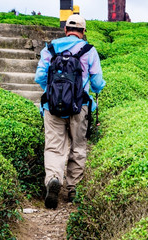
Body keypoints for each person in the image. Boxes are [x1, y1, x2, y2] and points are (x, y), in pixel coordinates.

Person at [35, 14, 106, 209]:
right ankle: (73, 187)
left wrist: (53, 92)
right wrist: (97, 89)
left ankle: (53, 179)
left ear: (66, 30)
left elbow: (40, 77)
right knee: (78, 145)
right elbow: (97, 82)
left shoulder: (49, 49)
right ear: (83, 32)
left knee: (53, 147)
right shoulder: (89, 50)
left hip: (52, 106)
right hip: (79, 106)